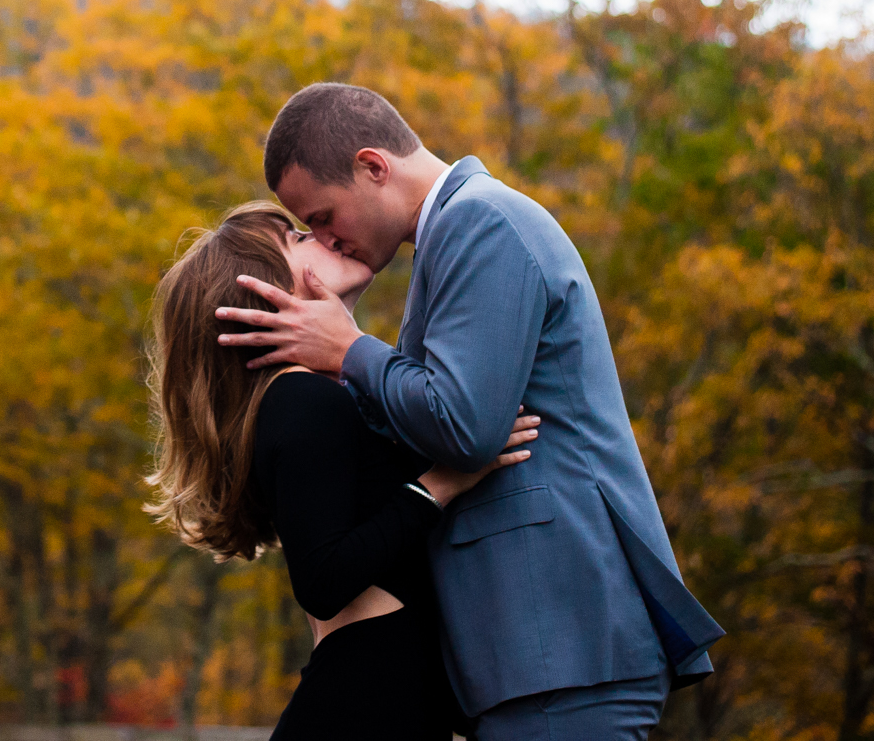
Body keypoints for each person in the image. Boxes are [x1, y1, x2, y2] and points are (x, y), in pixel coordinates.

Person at [215, 83, 725, 740]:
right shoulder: (450, 239)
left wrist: (348, 351)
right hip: (532, 653)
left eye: (321, 214)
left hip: (560, 645)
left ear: (374, 166)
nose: (325, 238)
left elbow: (467, 425)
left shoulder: (479, 223)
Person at [147, 200, 540, 741]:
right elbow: (324, 579)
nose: (324, 237)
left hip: (374, 695)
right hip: (365, 702)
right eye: (299, 239)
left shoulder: (315, 396)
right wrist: (442, 483)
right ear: (266, 294)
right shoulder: (302, 398)